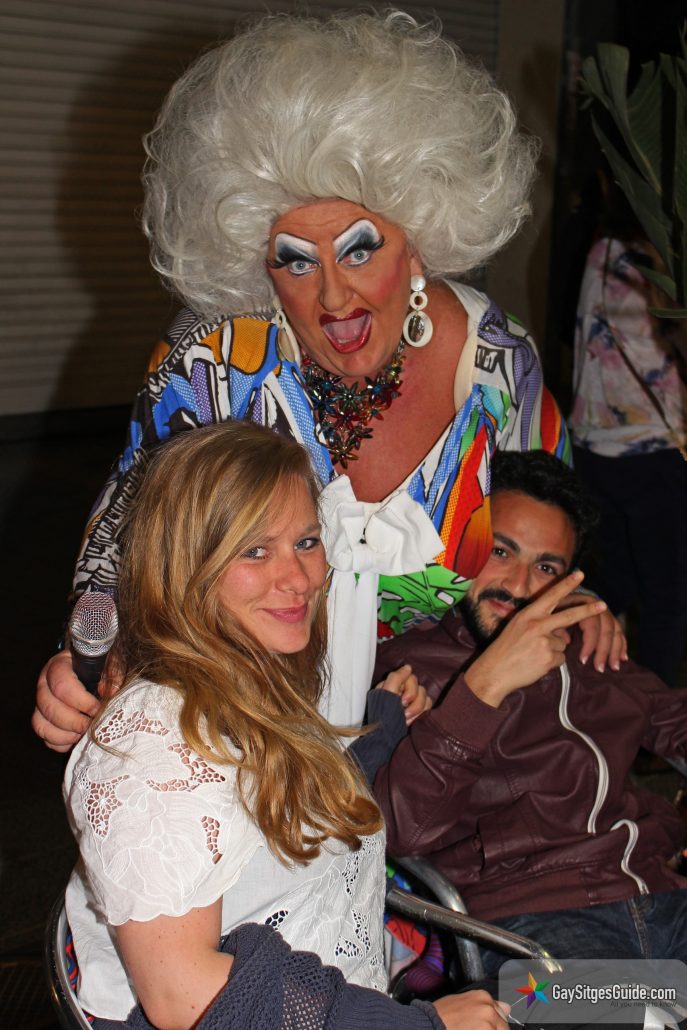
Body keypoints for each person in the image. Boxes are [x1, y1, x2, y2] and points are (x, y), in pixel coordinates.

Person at [33, 10, 624, 752]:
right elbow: (125, 539)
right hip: (241, 729)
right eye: (295, 260)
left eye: (359, 250)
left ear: (418, 242)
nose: (333, 296)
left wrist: (578, 607)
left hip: (433, 737)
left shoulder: (501, 369)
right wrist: (83, 662)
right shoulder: (213, 362)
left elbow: (547, 531)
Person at [64, 420, 508, 1030]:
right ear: (184, 567)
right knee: (599, 997)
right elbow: (184, 997)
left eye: (306, 541)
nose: (298, 579)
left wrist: (377, 732)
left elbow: (261, 829)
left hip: (357, 998)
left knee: (615, 995)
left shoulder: (249, 682)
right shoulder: (156, 741)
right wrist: (422, 1026)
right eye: (254, 551)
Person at [374, 450, 687, 970]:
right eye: (500, 551)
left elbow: (670, 718)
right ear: (463, 544)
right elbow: (400, 828)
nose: (518, 587)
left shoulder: (582, 642)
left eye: (545, 567)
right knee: (621, 1008)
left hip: (660, 893)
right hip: (527, 928)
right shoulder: (409, 661)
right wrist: (483, 688)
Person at [569, 175, 687, 686]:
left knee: (616, 579)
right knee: (667, 596)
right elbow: (667, 342)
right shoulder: (648, 262)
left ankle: (580, 687)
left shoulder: (602, 250)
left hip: (594, 448)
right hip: (649, 450)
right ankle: (650, 716)